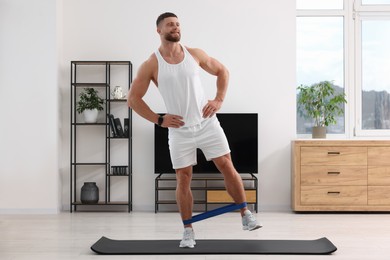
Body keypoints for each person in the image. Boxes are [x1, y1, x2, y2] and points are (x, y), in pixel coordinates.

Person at [127, 12, 261, 248]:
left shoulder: (194, 54)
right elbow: (133, 99)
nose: (175, 27)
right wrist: (159, 120)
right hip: (179, 130)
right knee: (183, 177)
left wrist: (218, 99)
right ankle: (188, 230)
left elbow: (223, 71)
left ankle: (246, 215)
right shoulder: (151, 64)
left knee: (227, 165)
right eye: (170, 24)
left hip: (207, 123)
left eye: (178, 24)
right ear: (159, 30)